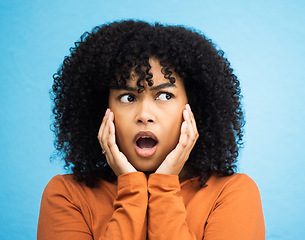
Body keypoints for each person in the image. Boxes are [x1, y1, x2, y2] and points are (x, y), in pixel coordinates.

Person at [37, 20, 265, 239]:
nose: (144, 115)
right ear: (103, 109)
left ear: (194, 107)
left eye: (165, 96)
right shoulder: (67, 195)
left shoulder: (232, 193)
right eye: (127, 97)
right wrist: (131, 190)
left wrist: (164, 187)